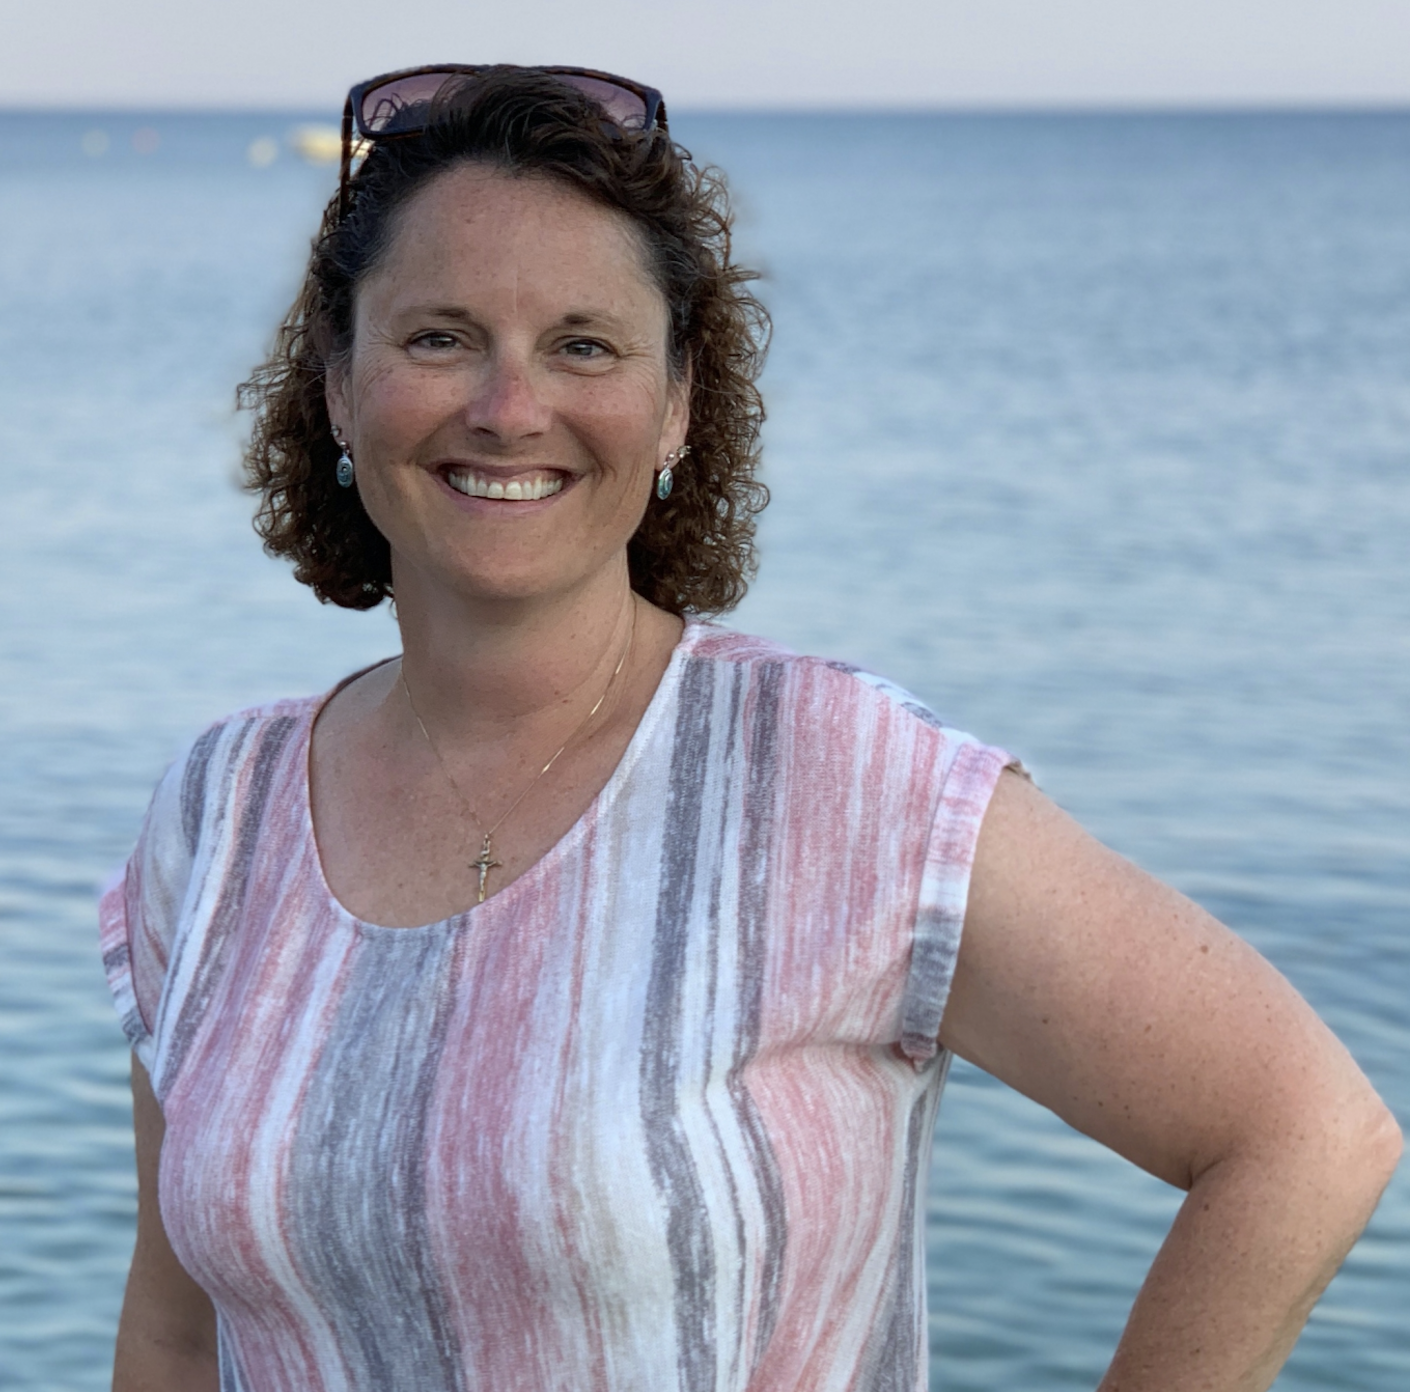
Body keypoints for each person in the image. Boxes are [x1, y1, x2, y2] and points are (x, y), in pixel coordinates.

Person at [101, 66, 1400, 1392]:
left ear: (675, 403)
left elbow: (1302, 1133)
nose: (507, 405)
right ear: (338, 383)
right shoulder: (220, 816)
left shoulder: (832, 777)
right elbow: (173, 1333)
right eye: (438, 337)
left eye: (583, 345)